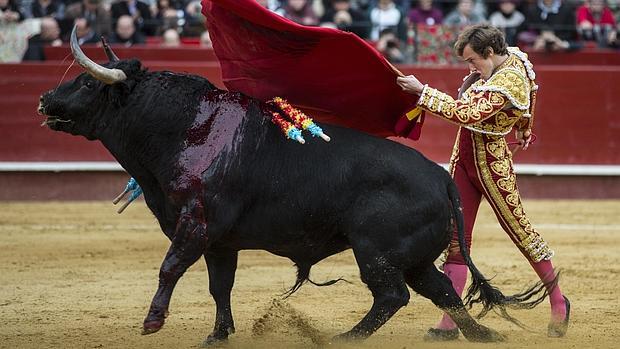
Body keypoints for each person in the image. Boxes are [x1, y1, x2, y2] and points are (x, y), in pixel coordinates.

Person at [396, 24, 570, 340]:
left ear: (489, 53)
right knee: (455, 239)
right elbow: (534, 90)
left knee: (519, 230)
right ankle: (449, 324)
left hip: (492, 164)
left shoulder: (510, 80)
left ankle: (559, 302)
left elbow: (469, 113)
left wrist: (424, 92)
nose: (472, 68)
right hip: (463, 160)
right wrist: (524, 127)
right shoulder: (511, 57)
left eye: (473, 60)